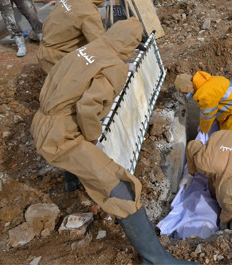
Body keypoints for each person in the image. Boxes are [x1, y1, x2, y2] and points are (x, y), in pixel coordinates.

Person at [30, 18, 195, 264]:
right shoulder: (114, 66)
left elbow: (57, 82)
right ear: (129, 46)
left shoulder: (85, 50)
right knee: (122, 187)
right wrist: (93, 138)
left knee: (81, 159)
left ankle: (71, 179)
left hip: (41, 122)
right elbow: (87, 108)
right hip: (60, 138)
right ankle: (157, 259)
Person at [37, 0, 113, 73]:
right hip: (57, 58)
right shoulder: (89, 13)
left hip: (44, 48)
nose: (105, 2)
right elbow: (98, 44)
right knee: (72, 84)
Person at [185, 129, 232, 231]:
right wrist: (190, 174)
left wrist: (227, 226)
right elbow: (192, 146)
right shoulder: (206, 164)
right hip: (222, 136)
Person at [175, 72, 232, 136]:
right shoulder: (208, 80)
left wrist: (203, 130)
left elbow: (207, 116)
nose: (186, 95)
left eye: (185, 93)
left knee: (229, 137)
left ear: (187, 88)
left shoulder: (205, 95)